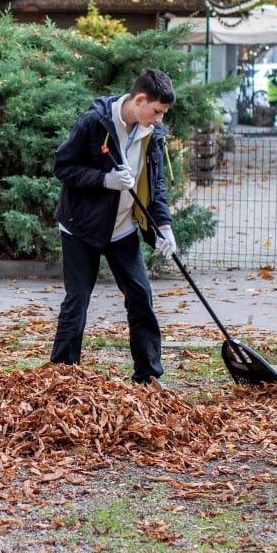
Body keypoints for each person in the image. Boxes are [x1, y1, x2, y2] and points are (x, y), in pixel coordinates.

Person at [50, 69, 177, 385]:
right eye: (157, 111)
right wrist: (103, 180)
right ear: (140, 100)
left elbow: (155, 184)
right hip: (81, 228)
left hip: (121, 228)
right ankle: (63, 376)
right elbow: (62, 167)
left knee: (140, 296)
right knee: (77, 301)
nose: (159, 119)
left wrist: (164, 225)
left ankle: (147, 376)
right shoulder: (94, 123)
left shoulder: (151, 135)